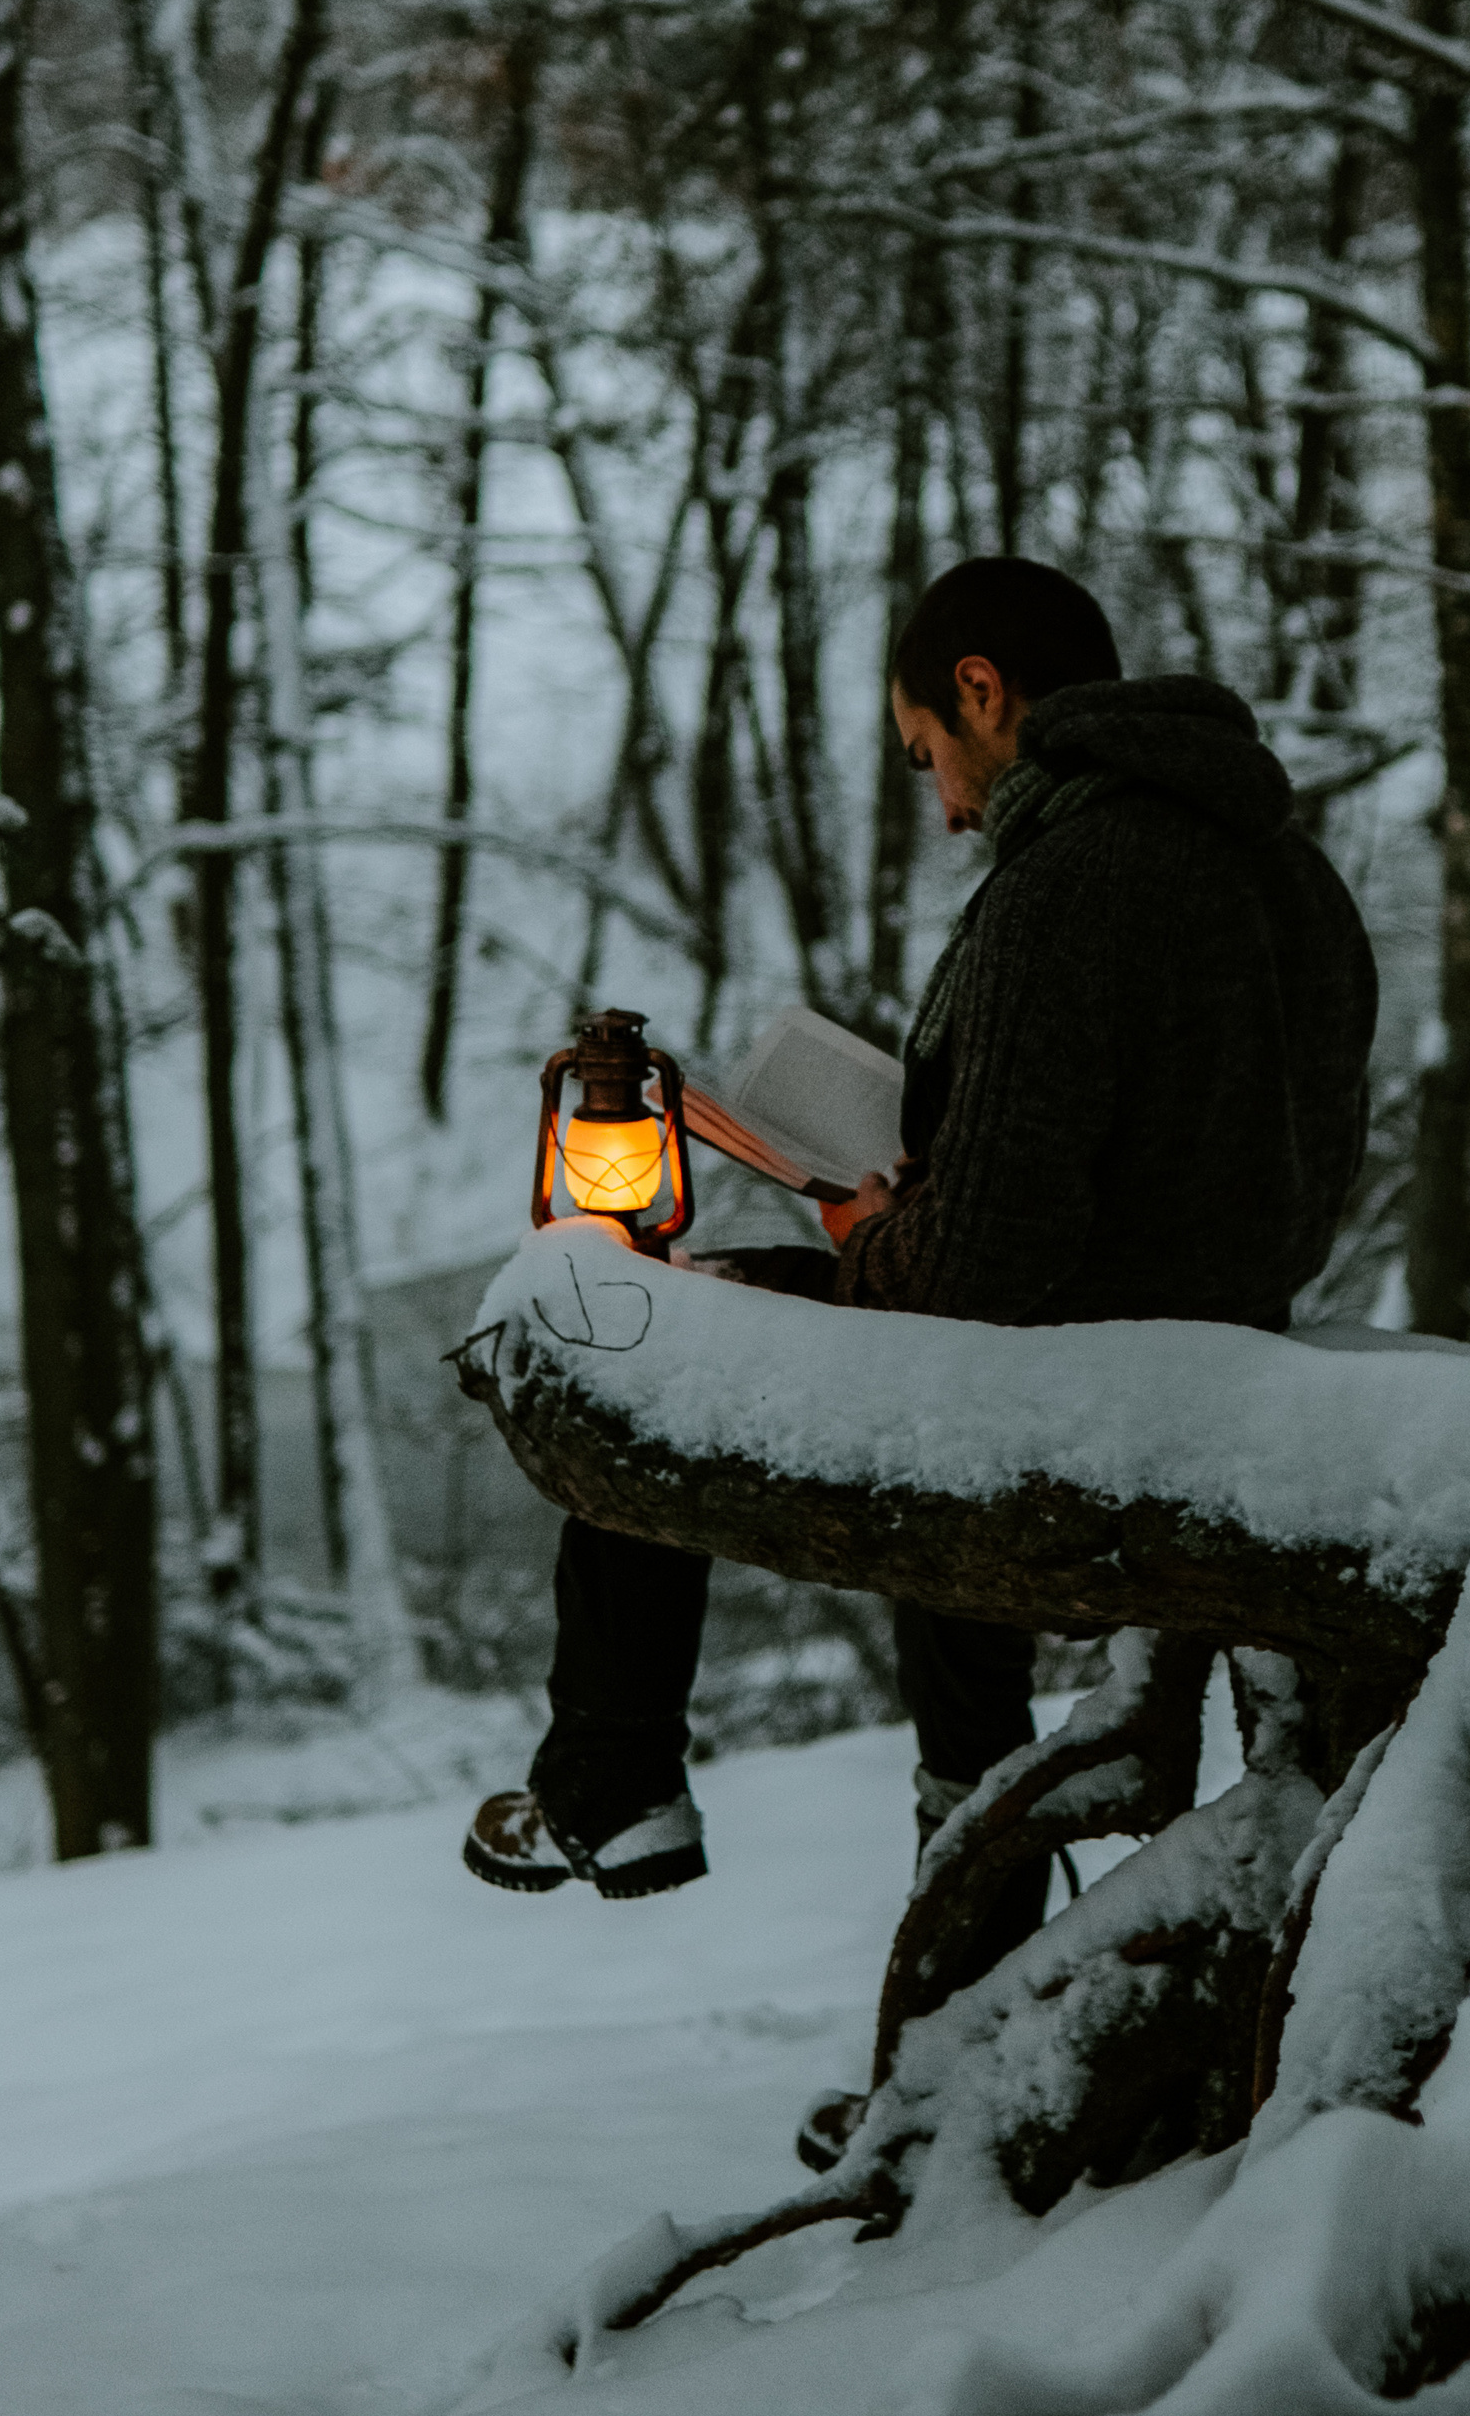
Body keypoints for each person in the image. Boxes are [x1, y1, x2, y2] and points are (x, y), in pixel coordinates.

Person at [463, 557, 1378, 1915]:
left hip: (1078, 1391)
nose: (949, 808)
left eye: (926, 756)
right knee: (912, 1378)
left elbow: (976, 1271)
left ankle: (615, 1775)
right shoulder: (1291, 876)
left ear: (981, 690)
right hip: (1212, 1348)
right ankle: (973, 1944)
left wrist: (880, 1227)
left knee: (645, 1320)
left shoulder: (1073, 877)